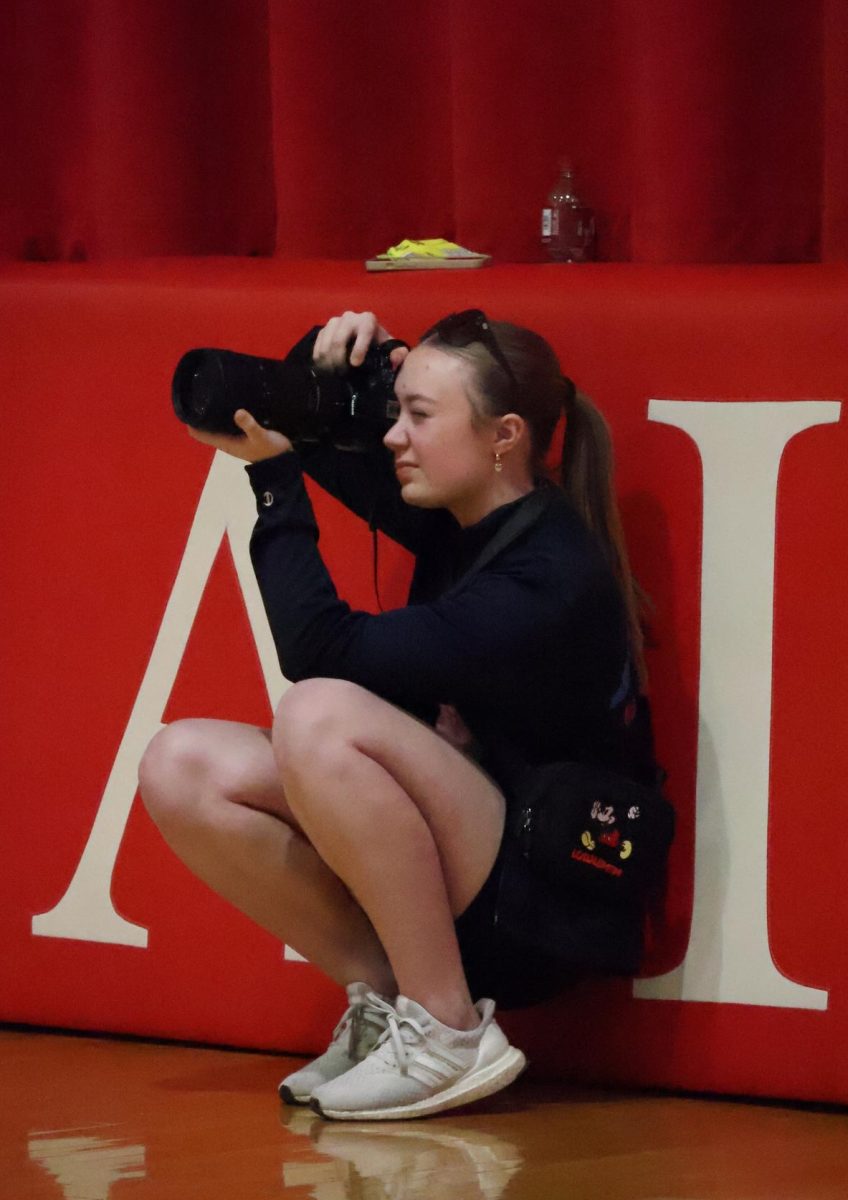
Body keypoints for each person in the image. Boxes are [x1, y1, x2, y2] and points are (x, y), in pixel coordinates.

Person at [138, 308, 656, 1122]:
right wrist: (327, 356)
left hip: (546, 903)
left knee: (321, 712)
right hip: (474, 861)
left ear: (503, 435)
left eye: (419, 415)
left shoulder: (549, 574)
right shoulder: (464, 510)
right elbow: (307, 427)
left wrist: (272, 482)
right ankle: (387, 1007)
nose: (392, 437)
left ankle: (446, 1030)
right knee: (181, 763)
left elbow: (320, 650)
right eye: (398, 411)